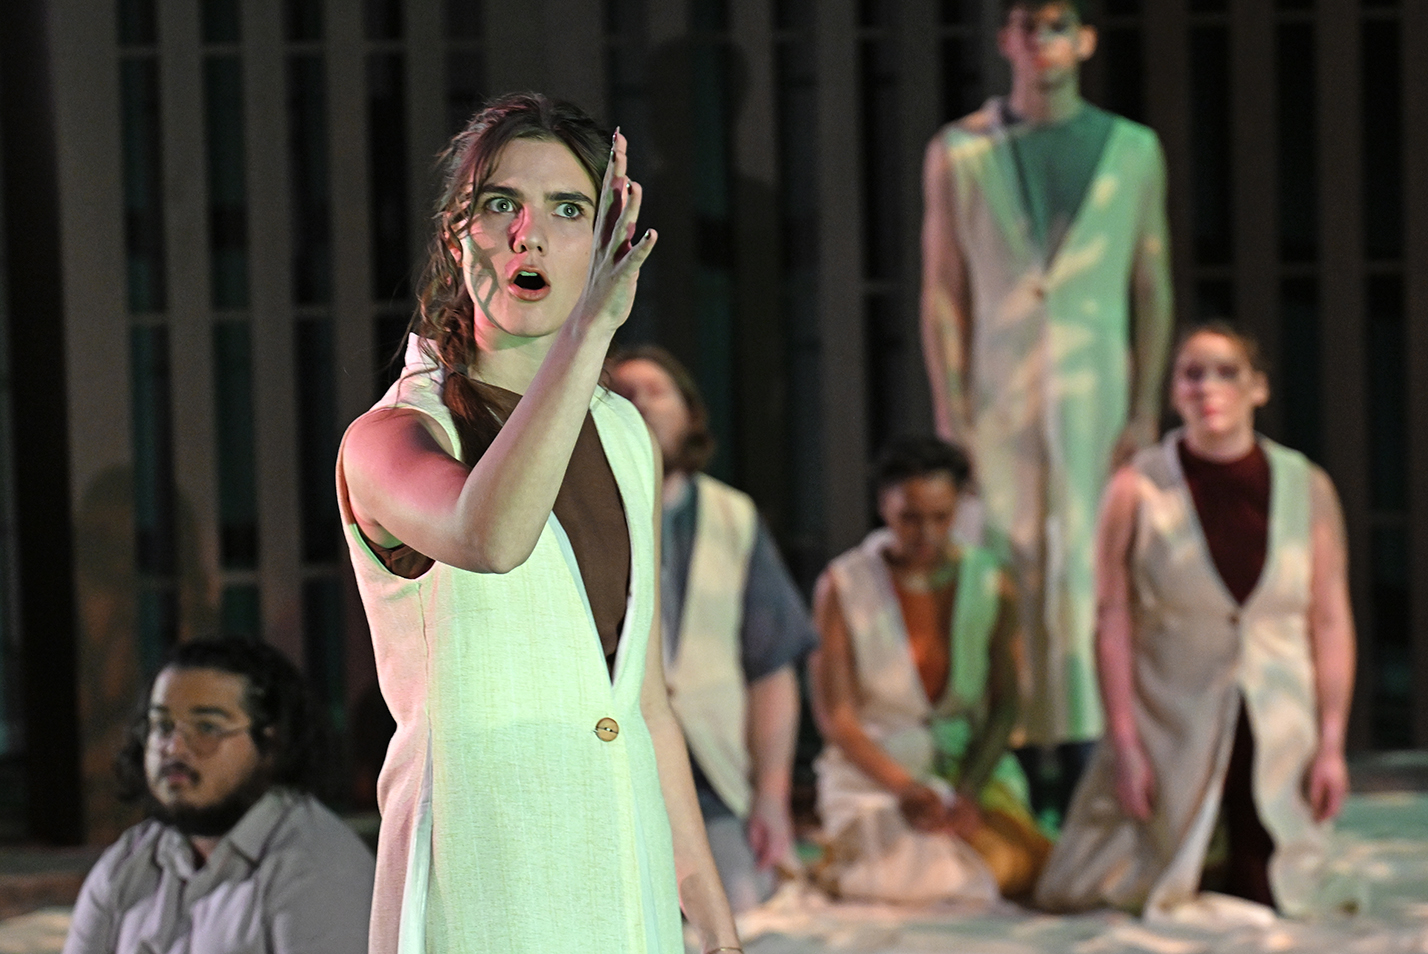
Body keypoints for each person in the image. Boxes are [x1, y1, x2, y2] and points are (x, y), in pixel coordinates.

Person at [337, 94, 740, 954]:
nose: (531, 233)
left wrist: (705, 905)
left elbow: (644, 702)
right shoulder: (397, 435)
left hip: (621, 856)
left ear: (602, 240)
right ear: (458, 236)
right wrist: (589, 332)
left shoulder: (626, 431)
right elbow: (491, 537)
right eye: (500, 205)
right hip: (490, 865)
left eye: (568, 209)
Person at [919, 0, 1175, 818]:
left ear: (1087, 39)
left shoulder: (1134, 149)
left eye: (1058, 24)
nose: (1042, 40)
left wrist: (1143, 405)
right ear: (1006, 39)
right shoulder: (961, 151)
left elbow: (1151, 284)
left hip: (1095, 390)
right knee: (1005, 559)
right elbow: (942, 292)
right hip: (998, 393)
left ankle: (1097, 750)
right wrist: (950, 409)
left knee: (1091, 561)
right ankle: (1015, 753)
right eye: (1027, 24)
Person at [1034, 324, 1356, 918]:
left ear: (1258, 388)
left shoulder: (1305, 486)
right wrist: (1126, 740)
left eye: (1226, 372)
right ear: (1174, 391)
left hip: (1277, 712)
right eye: (1191, 374)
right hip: (1172, 712)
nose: (1208, 387)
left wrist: (1332, 740)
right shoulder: (1136, 488)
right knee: (1121, 888)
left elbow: (1330, 618)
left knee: (1280, 892)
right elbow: (1110, 617)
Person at [610, 345, 818, 912]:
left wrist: (772, 797)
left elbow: (771, 668)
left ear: (691, 414)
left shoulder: (733, 516)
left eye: (657, 391)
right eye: (624, 394)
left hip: (712, 778)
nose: (642, 403)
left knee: (740, 908)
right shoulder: (581, 514)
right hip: (616, 775)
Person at [809, 438, 1051, 903]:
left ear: (960, 507)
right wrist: (904, 788)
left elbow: (1006, 704)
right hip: (876, 772)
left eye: (941, 517)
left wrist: (969, 789)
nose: (926, 534)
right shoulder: (844, 584)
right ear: (884, 506)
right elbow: (837, 717)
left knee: (1009, 870)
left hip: (969, 769)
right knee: (921, 880)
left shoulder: (991, 580)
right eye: (910, 518)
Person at [63, 637, 375, 954]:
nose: (174, 747)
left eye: (207, 727)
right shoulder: (127, 863)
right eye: (162, 725)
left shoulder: (318, 867)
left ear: (270, 744)